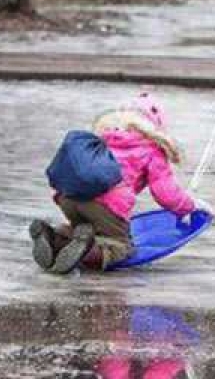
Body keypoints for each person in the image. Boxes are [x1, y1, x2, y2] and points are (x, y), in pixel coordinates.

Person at [30, 92, 198, 273]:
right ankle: (86, 253)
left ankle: (54, 237)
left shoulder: (102, 137)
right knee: (121, 247)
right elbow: (166, 194)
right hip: (106, 205)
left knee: (86, 230)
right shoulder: (151, 148)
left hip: (68, 197)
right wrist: (190, 207)